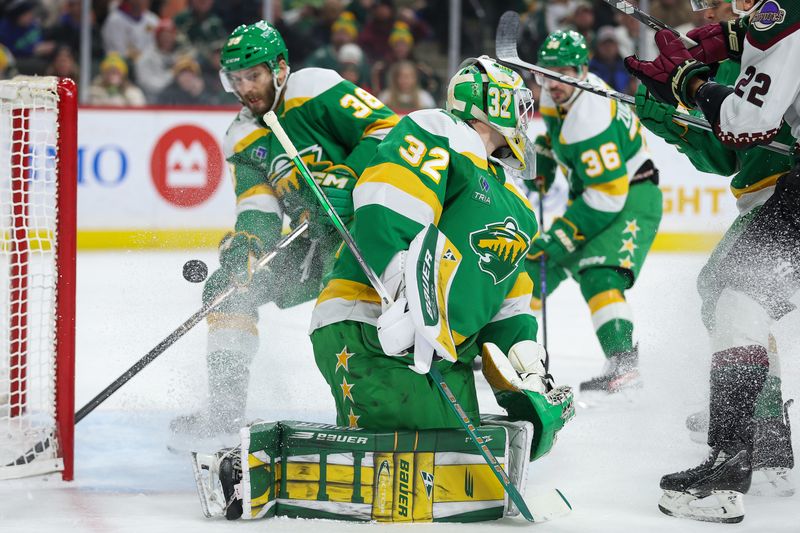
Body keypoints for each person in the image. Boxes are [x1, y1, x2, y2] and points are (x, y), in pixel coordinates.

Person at [192, 55, 574, 524]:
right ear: (491, 101)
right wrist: (403, 296)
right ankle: (250, 467)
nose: (523, 118)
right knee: (422, 466)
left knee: (460, 459)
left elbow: (508, 304)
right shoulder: (440, 130)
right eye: (516, 105)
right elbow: (384, 200)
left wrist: (528, 373)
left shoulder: (515, 200)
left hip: (430, 349)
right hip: (371, 322)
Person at [168, 20, 399, 444]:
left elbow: (388, 130)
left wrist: (348, 178)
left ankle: (378, 407)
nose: (245, 89)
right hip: (314, 236)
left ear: (279, 68)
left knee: (344, 302)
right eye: (236, 80)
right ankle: (224, 408)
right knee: (228, 289)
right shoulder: (242, 134)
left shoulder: (314, 87)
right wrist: (248, 245)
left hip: (370, 226)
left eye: (252, 76)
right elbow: (258, 205)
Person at [625, 0, 800, 523]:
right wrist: (717, 50)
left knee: (735, 298)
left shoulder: (781, 13)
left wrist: (690, 84)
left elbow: (746, 126)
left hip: (784, 191)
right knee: (732, 295)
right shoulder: (767, 22)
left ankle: (743, 453)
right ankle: (753, 445)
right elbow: (733, 145)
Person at [529, 30, 662, 395]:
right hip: (598, 191)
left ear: (582, 69)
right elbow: (559, 137)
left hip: (631, 196)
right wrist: (547, 155)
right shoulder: (562, 92)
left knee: (600, 276)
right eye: (545, 73)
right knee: (538, 266)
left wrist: (561, 236)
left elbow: (608, 195)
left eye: (562, 73)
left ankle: (624, 364)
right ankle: (505, 344)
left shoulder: (591, 117)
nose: (552, 83)